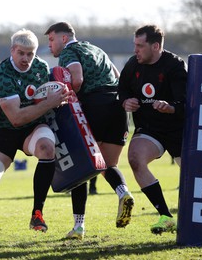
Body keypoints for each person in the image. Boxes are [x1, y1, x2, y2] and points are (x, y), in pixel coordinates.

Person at [0, 29, 71, 244]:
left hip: (32, 127)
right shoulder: (3, 75)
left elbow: (42, 102)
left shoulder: (41, 67)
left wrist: (58, 98)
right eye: (21, 53)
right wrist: (48, 103)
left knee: (46, 147)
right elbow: (16, 118)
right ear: (12, 50)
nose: (26, 59)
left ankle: (37, 214)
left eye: (30, 54)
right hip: (5, 130)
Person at [44, 22, 134, 240]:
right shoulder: (95, 49)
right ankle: (124, 193)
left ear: (64, 38)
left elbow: (77, 78)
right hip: (117, 108)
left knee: (81, 167)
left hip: (94, 107)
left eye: (51, 39)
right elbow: (116, 74)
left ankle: (79, 226)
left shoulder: (68, 52)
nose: (50, 45)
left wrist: (65, 101)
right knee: (107, 165)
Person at [118, 24, 187, 234]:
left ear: (155, 46)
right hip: (149, 129)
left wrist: (170, 107)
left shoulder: (175, 66)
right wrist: (126, 102)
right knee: (135, 160)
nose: (135, 50)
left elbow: (186, 104)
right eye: (134, 45)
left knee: (195, 176)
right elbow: (122, 91)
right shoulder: (132, 65)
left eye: (140, 46)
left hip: (178, 129)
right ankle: (165, 216)